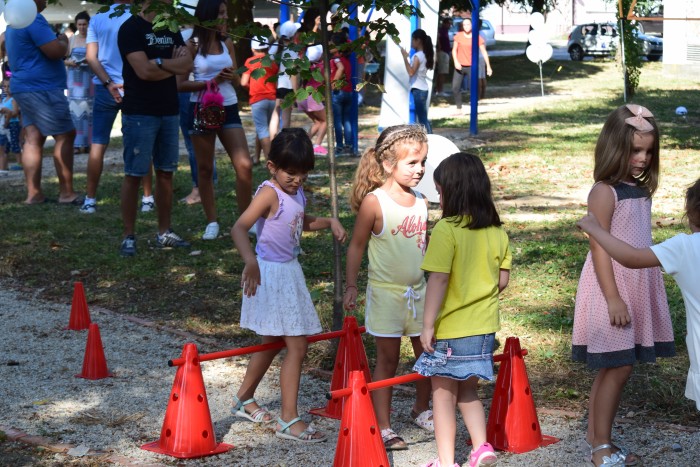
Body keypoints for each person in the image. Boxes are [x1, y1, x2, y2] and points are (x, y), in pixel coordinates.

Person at [572, 104, 674, 467]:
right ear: (615, 148)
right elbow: (598, 247)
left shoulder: (638, 191)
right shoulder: (604, 191)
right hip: (611, 288)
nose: (643, 158)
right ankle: (601, 446)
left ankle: (597, 436)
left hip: (635, 285)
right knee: (618, 367)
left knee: (616, 366)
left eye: (648, 151)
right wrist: (613, 297)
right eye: (635, 150)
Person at [230, 128, 346, 442]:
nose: (297, 180)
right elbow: (239, 228)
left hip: (289, 272)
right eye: (291, 173)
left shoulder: (296, 192)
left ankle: (244, 398)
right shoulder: (269, 192)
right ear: (272, 167)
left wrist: (330, 222)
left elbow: (301, 221)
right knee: (297, 344)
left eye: (303, 175)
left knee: (272, 340)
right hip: (270, 274)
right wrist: (250, 261)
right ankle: (288, 418)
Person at [414, 152, 510, 467]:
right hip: (484, 328)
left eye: (440, 191)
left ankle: (445, 461)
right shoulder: (497, 231)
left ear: (453, 191)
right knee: (469, 391)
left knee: (442, 395)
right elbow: (503, 281)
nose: (439, 198)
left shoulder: (447, 229)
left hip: (452, 329)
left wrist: (427, 325)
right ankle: (481, 447)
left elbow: (438, 280)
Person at [344, 124, 434, 451]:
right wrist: (352, 285)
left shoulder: (422, 201)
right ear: (388, 164)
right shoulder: (375, 202)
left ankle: (421, 409)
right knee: (388, 359)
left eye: (423, 161)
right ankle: (382, 425)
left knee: (426, 354)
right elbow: (356, 246)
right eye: (412, 163)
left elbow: (423, 248)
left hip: (419, 293)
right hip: (386, 295)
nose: (420, 169)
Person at [577, 178, 700, 412]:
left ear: (692, 213)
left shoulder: (686, 247)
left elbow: (632, 258)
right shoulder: (607, 192)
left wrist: (594, 229)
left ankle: (599, 441)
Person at [117, 0, 193, 256]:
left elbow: (187, 65)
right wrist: (168, 64)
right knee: (134, 174)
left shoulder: (170, 28)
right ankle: (128, 235)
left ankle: (164, 232)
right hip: (139, 111)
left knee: (166, 172)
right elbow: (143, 72)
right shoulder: (131, 29)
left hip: (169, 110)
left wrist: (158, 63)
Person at [176, 0, 252, 241]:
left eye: (226, 14)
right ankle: (212, 222)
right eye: (221, 14)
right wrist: (212, 82)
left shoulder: (226, 41)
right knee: (205, 168)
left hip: (228, 107)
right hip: (200, 108)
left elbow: (239, 81)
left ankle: (246, 222)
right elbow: (180, 85)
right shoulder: (192, 45)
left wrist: (231, 77)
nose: (225, 18)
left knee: (244, 166)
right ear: (207, 15)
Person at [81, 0, 154, 215]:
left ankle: (90, 199)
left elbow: (91, 58)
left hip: (106, 88)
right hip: (135, 86)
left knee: (98, 144)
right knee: (142, 143)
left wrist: (108, 83)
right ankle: (148, 197)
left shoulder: (98, 18)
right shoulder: (141, 15)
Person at [6, 0, 81, 205]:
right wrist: (64, 41)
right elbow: (56, 52)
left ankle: (34, 194)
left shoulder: (14, 23)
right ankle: (66, 193)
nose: (46, 1)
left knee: (33, 137)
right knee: (65, 134)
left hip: (24, 86)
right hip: (42, 87)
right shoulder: (34, 20)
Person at [241, 37, 278, 164]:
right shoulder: (272, 62)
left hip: (257, 99)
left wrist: (251, 87)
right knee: (262, 129)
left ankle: (271, 162)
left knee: (262, 130)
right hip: (272, 99)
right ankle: (256, 158)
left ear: (252, 49)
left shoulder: (250, 61)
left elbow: (243, 82)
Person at [65, 11, 93, 154]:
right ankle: (76, 144)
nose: (82, 27)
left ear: (89, 24)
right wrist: (69, 62)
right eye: (80, 24)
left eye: (84, 24)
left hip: (88, 80)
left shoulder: (93, 39)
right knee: (74, 113)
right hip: (74, 82)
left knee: (88, 113)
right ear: (76, 25)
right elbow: (62, 59)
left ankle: (88, 144)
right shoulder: (71, 40)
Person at [451, 18, 492, 111]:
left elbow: (484, 52)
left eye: (468, 24)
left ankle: (474, 107)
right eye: (464, 25)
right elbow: (454, 50)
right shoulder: (459, 36)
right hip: (460, 66)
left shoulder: (477, 37)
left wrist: (488, 66)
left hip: (471, 66)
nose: (466, 26)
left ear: (472, 25)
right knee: (455, 87)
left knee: (473, 88)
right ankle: (459, 108)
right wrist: (456, 61)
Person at [269, 21, 301, 137]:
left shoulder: (274, 47)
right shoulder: (292, 51)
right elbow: (293, 74)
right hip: (287, 87)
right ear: (293, 35)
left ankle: (273, 139)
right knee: (286, 117)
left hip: (275, 85)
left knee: (275, 114)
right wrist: (296, 92)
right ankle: (283, 141)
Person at [401, 29, 434, 134]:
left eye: (413, 40)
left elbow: (411, 72)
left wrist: (405, 58)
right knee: (423, 116)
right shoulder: (424, 54)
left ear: (418, 40)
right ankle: (429, 136)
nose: (411, 42)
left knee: (422, 118)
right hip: (422, 87)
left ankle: (430, 138)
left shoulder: (417, 56)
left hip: (418, 89)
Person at [297, 45, 328, 156]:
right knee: (326, 121)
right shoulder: (321, 66)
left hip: (302, 96)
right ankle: (317, 145)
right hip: (313, 96)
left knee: (318, 122)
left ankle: (303, 143)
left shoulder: (306, 67)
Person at [330, 32, 354, 155]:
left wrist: (333, 84)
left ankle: (339, 146)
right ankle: (349, 145)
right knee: (347, 120)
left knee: (338, 121)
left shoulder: (336, 58)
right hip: (349, 91)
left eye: (331, 43)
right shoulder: (347, 57)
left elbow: (340, 69)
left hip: (338, 92)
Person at [0, 80, 21, 171]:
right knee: (5, 145)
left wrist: (7, 111)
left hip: (13, 124)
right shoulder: (4, 100)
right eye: (5, 87)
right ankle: (5, 164)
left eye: (9, 87)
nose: (7, 89)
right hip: (6, 124)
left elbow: (16, 113)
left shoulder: (14, 99)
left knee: (14, 143)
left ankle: (20, 163)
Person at [435, 18, 452, 97]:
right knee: (442, 72)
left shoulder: (445, 31)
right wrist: (439, 47)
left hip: (446, 52)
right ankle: (440, 90)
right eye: (449, 23)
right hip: (443, 52)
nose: (450, 25)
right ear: (445, 23)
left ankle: (438, 89)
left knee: (442, 72)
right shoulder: (441, 31)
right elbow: (437, 39)